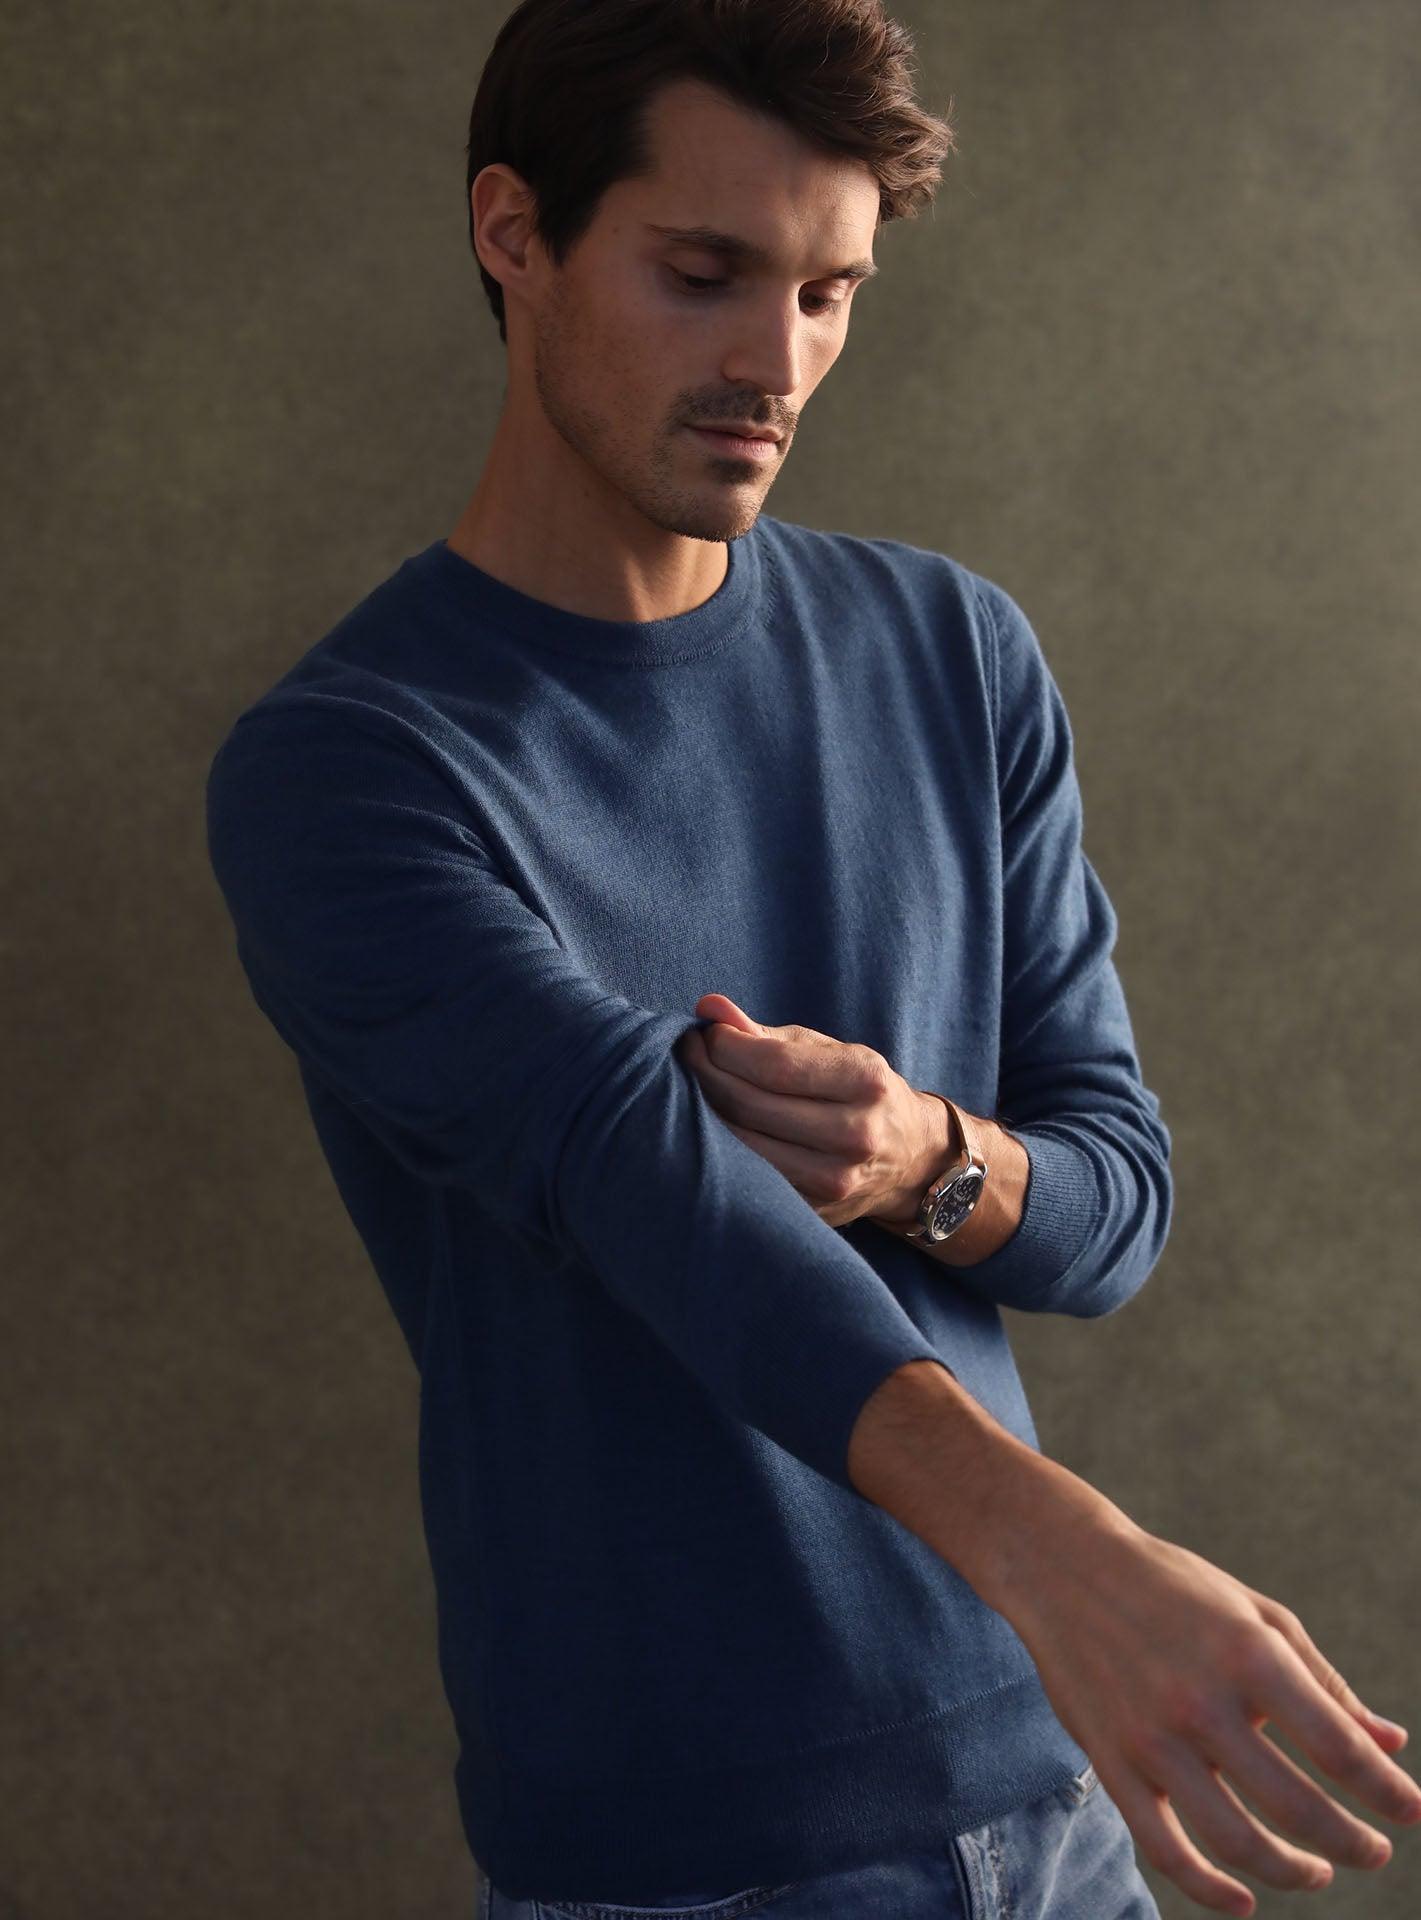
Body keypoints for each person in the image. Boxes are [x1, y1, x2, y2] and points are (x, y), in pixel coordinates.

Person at [203, 2, 1421, 1915]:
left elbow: (1111, 1207)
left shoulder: (953, 652)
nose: (775, 364)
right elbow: (648, 1180)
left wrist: (929, 1158)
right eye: (703, 275)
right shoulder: (346, 770)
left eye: (828, 293)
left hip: (1061, 1797)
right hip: (694, 1860)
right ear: (514, 232)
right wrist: (1065, 1554)